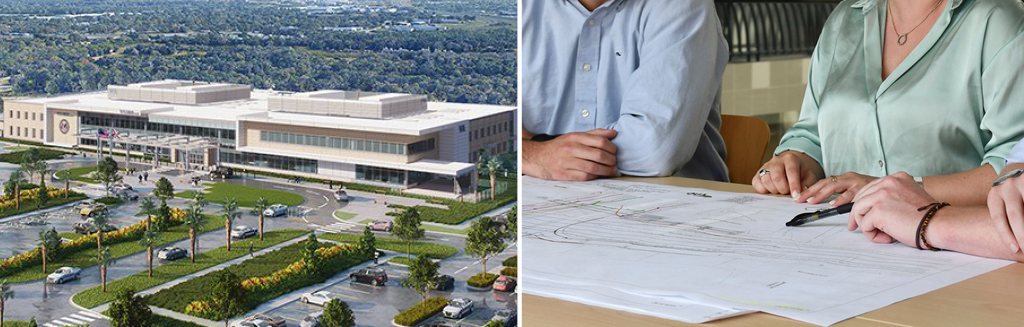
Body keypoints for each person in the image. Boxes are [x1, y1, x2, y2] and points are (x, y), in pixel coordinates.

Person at [753, 0, 1024, 207]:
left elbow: (1014, 170)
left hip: (949, 246)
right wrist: (794, 162)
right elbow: (812, 136)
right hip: (839, 237)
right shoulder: (845, 18)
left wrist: (900, 189)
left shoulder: (999, 21)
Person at [521, 0, 730, 182]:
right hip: (544, 206)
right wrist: (536, 155)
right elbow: (490, 127)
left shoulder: (681, 4)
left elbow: (655, 150)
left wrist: (537, 149)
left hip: (669, 208)